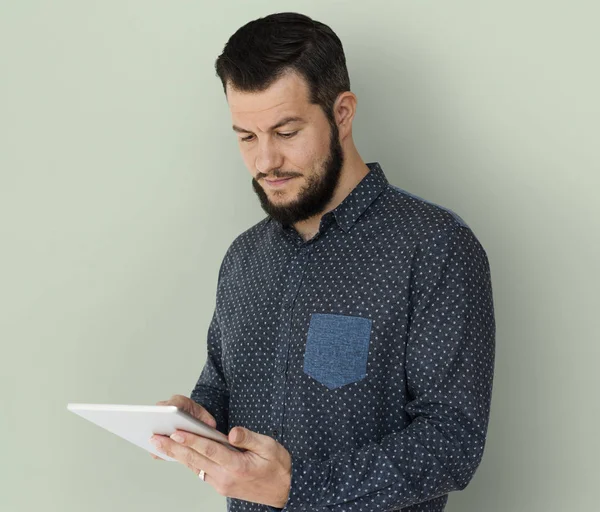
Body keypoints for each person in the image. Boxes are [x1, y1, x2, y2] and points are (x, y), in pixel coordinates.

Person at [149, 11, 496, 512]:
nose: (265, 161)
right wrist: (198, 419)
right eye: (246, 137)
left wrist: (297, 488)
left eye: (286, 131)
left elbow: (451, 442)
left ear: (343, 113)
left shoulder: (434, 247)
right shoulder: (243, 259)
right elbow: (221, 383)